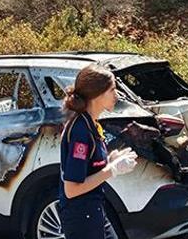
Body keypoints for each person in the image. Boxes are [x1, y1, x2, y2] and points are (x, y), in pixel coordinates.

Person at [58, 64, 138, 239]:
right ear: (97, 95)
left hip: (94, 209)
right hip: (81, 216)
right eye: (112, 90)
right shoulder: (80, 131)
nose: (117, 95)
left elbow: (89, 166)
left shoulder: (91, 123)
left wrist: (111, 160)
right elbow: (71, 189)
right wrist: (113, 169)